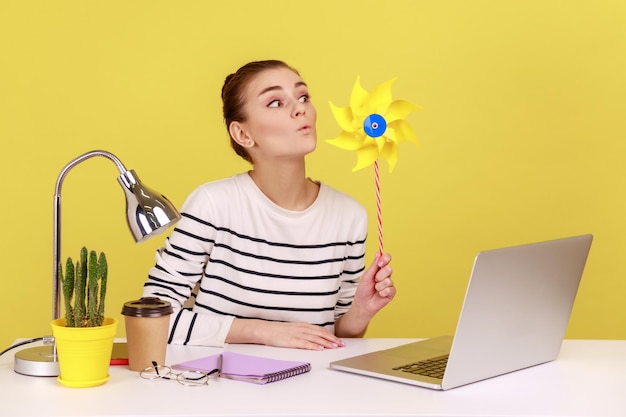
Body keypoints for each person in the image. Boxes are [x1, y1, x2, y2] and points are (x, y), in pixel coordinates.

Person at [142, 60, 395, 350]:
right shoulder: (212, 204)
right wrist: (263, 332)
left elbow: (338, 337)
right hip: (222, 385)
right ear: (243, 134)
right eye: (275, 102)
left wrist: (361, 311)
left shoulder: (349, 216)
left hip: (314, 387)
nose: (300, 108)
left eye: (303, 97)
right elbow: (153, 317)